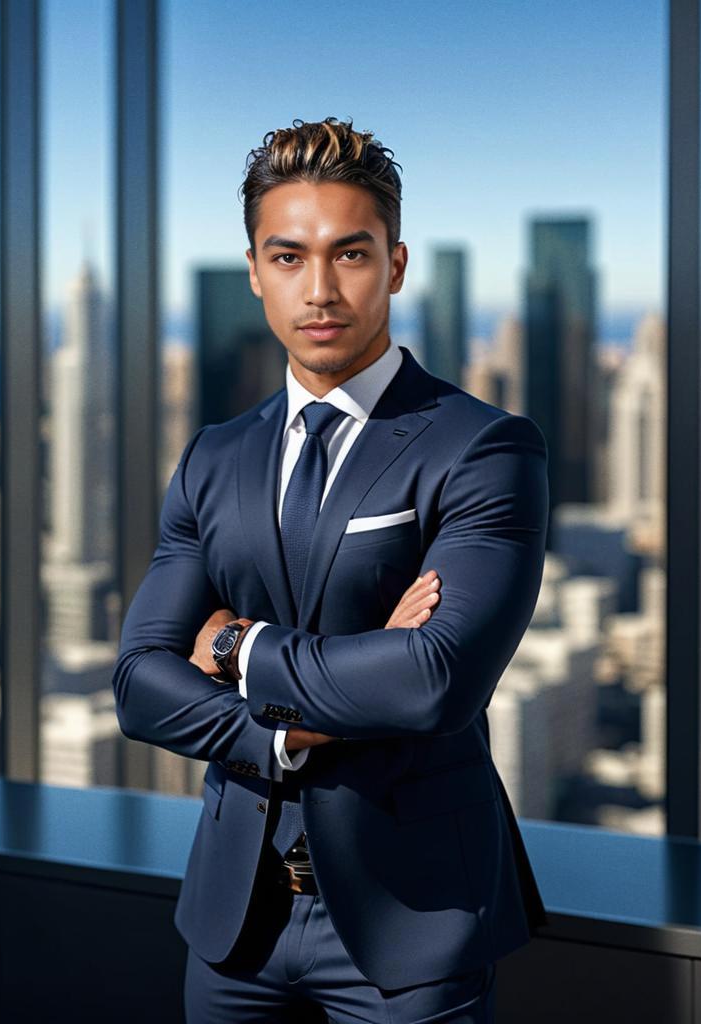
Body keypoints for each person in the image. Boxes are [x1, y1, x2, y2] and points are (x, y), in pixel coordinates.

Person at [112, 116, 550, 1023]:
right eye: (288, 258)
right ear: (254, 272)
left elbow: (433, 681)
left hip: (411, 923)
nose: (320, 290)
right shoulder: (214, 456)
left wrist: (235, 647)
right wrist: (284, 733)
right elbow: (138, 683)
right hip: (236, 926)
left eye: (350, 254)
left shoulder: (483, 449)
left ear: (394, 263)